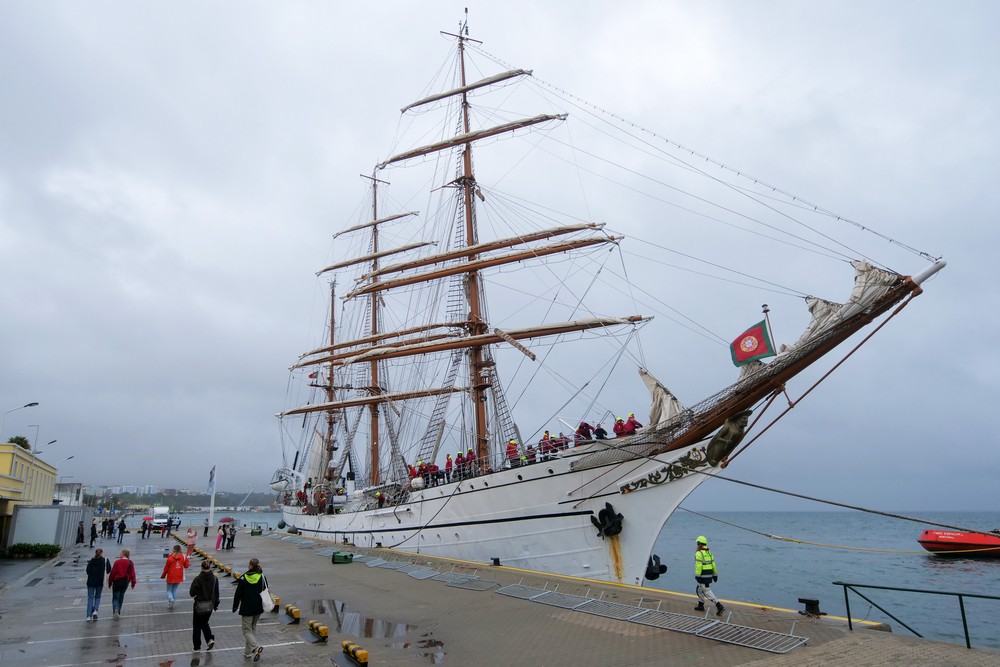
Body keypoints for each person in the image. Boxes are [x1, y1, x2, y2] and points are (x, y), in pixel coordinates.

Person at [233, 557, 267, 661]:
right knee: (252, 629)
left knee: (246, 630)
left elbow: (238, 594)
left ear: (251, 566)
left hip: (247, 608)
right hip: (258, 607)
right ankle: (247, 652)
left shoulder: (244, 578)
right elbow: (265, 590)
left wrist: (235, 606)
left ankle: (256, 647)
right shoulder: (262, 577)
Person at [190, 559, 220, 652]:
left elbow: (192, 593)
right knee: (204, 623)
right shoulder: (215, 578)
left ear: (201, 568)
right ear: (210, 567)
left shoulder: (198, 579)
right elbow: (216, 593)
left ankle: (197, 647)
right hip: (210, 606)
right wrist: (216, 604)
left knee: (197, 626)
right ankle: (209, 639)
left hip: (199, 605)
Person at [694, 535, 724, 615]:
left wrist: (697, 575)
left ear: (700, 544)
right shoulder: (709, 552)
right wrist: (715, 575)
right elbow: (713, 564)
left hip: (703, 575)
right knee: (700, 589)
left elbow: (698, 565)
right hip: (709, 574)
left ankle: (719, 605)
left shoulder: (699, 553)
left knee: (706, 590)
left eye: (697, 543)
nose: (697, 545)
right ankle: (701, 605)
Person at [108, 548, 136, 617]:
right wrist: (133, 583)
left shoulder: (117, 562)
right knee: (121, 596)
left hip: (117, 581)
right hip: (125, 581)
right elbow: (133, 573)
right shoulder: (130, 562)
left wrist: (110, 582)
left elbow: (113, 573)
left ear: (123, 553)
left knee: (115, 597)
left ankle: (115, 609)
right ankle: (119, 609)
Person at [160, 544, 190, 608]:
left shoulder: (170, 558)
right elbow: (186, 566)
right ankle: (172, 603)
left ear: (173, 550)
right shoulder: (183, 557)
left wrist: (163, 576)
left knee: (169, 590)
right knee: (174, 590)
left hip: (171, 576)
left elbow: (166, 569)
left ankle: (171, 599)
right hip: (179, 575)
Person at [86, 548, 111, 621]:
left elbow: (87, 571)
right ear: (102, 553)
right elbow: (109, 569)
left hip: (90, 582)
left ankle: (88, 616)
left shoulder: (91, 561)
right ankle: (95, 611)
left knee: (90, 598)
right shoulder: (105, 560)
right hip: (100, 581)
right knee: (98, 597)